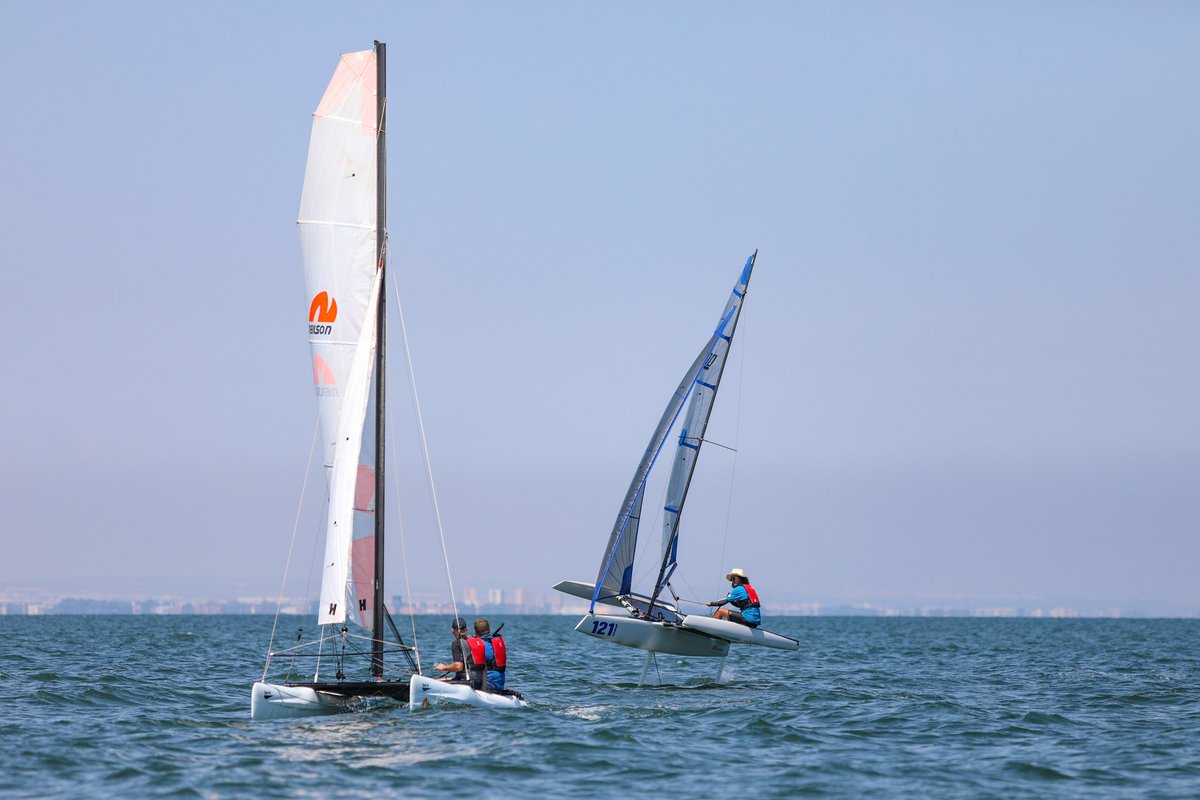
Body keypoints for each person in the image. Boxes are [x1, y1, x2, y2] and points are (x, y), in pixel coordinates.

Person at [464, 618, 506, 692]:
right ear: (489, 629)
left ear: (475, 631)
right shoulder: (497, 642)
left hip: (489, 685)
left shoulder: (480, 646)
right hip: (500, 684)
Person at [433, 617, 469, 683]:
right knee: (439, 680)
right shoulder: (474, 640)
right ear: (467, 629)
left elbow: (458, 667)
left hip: (465, 680)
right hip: (480, 678)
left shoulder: (456, 643)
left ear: (452, 630)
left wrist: (444, 667)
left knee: (435, 682)